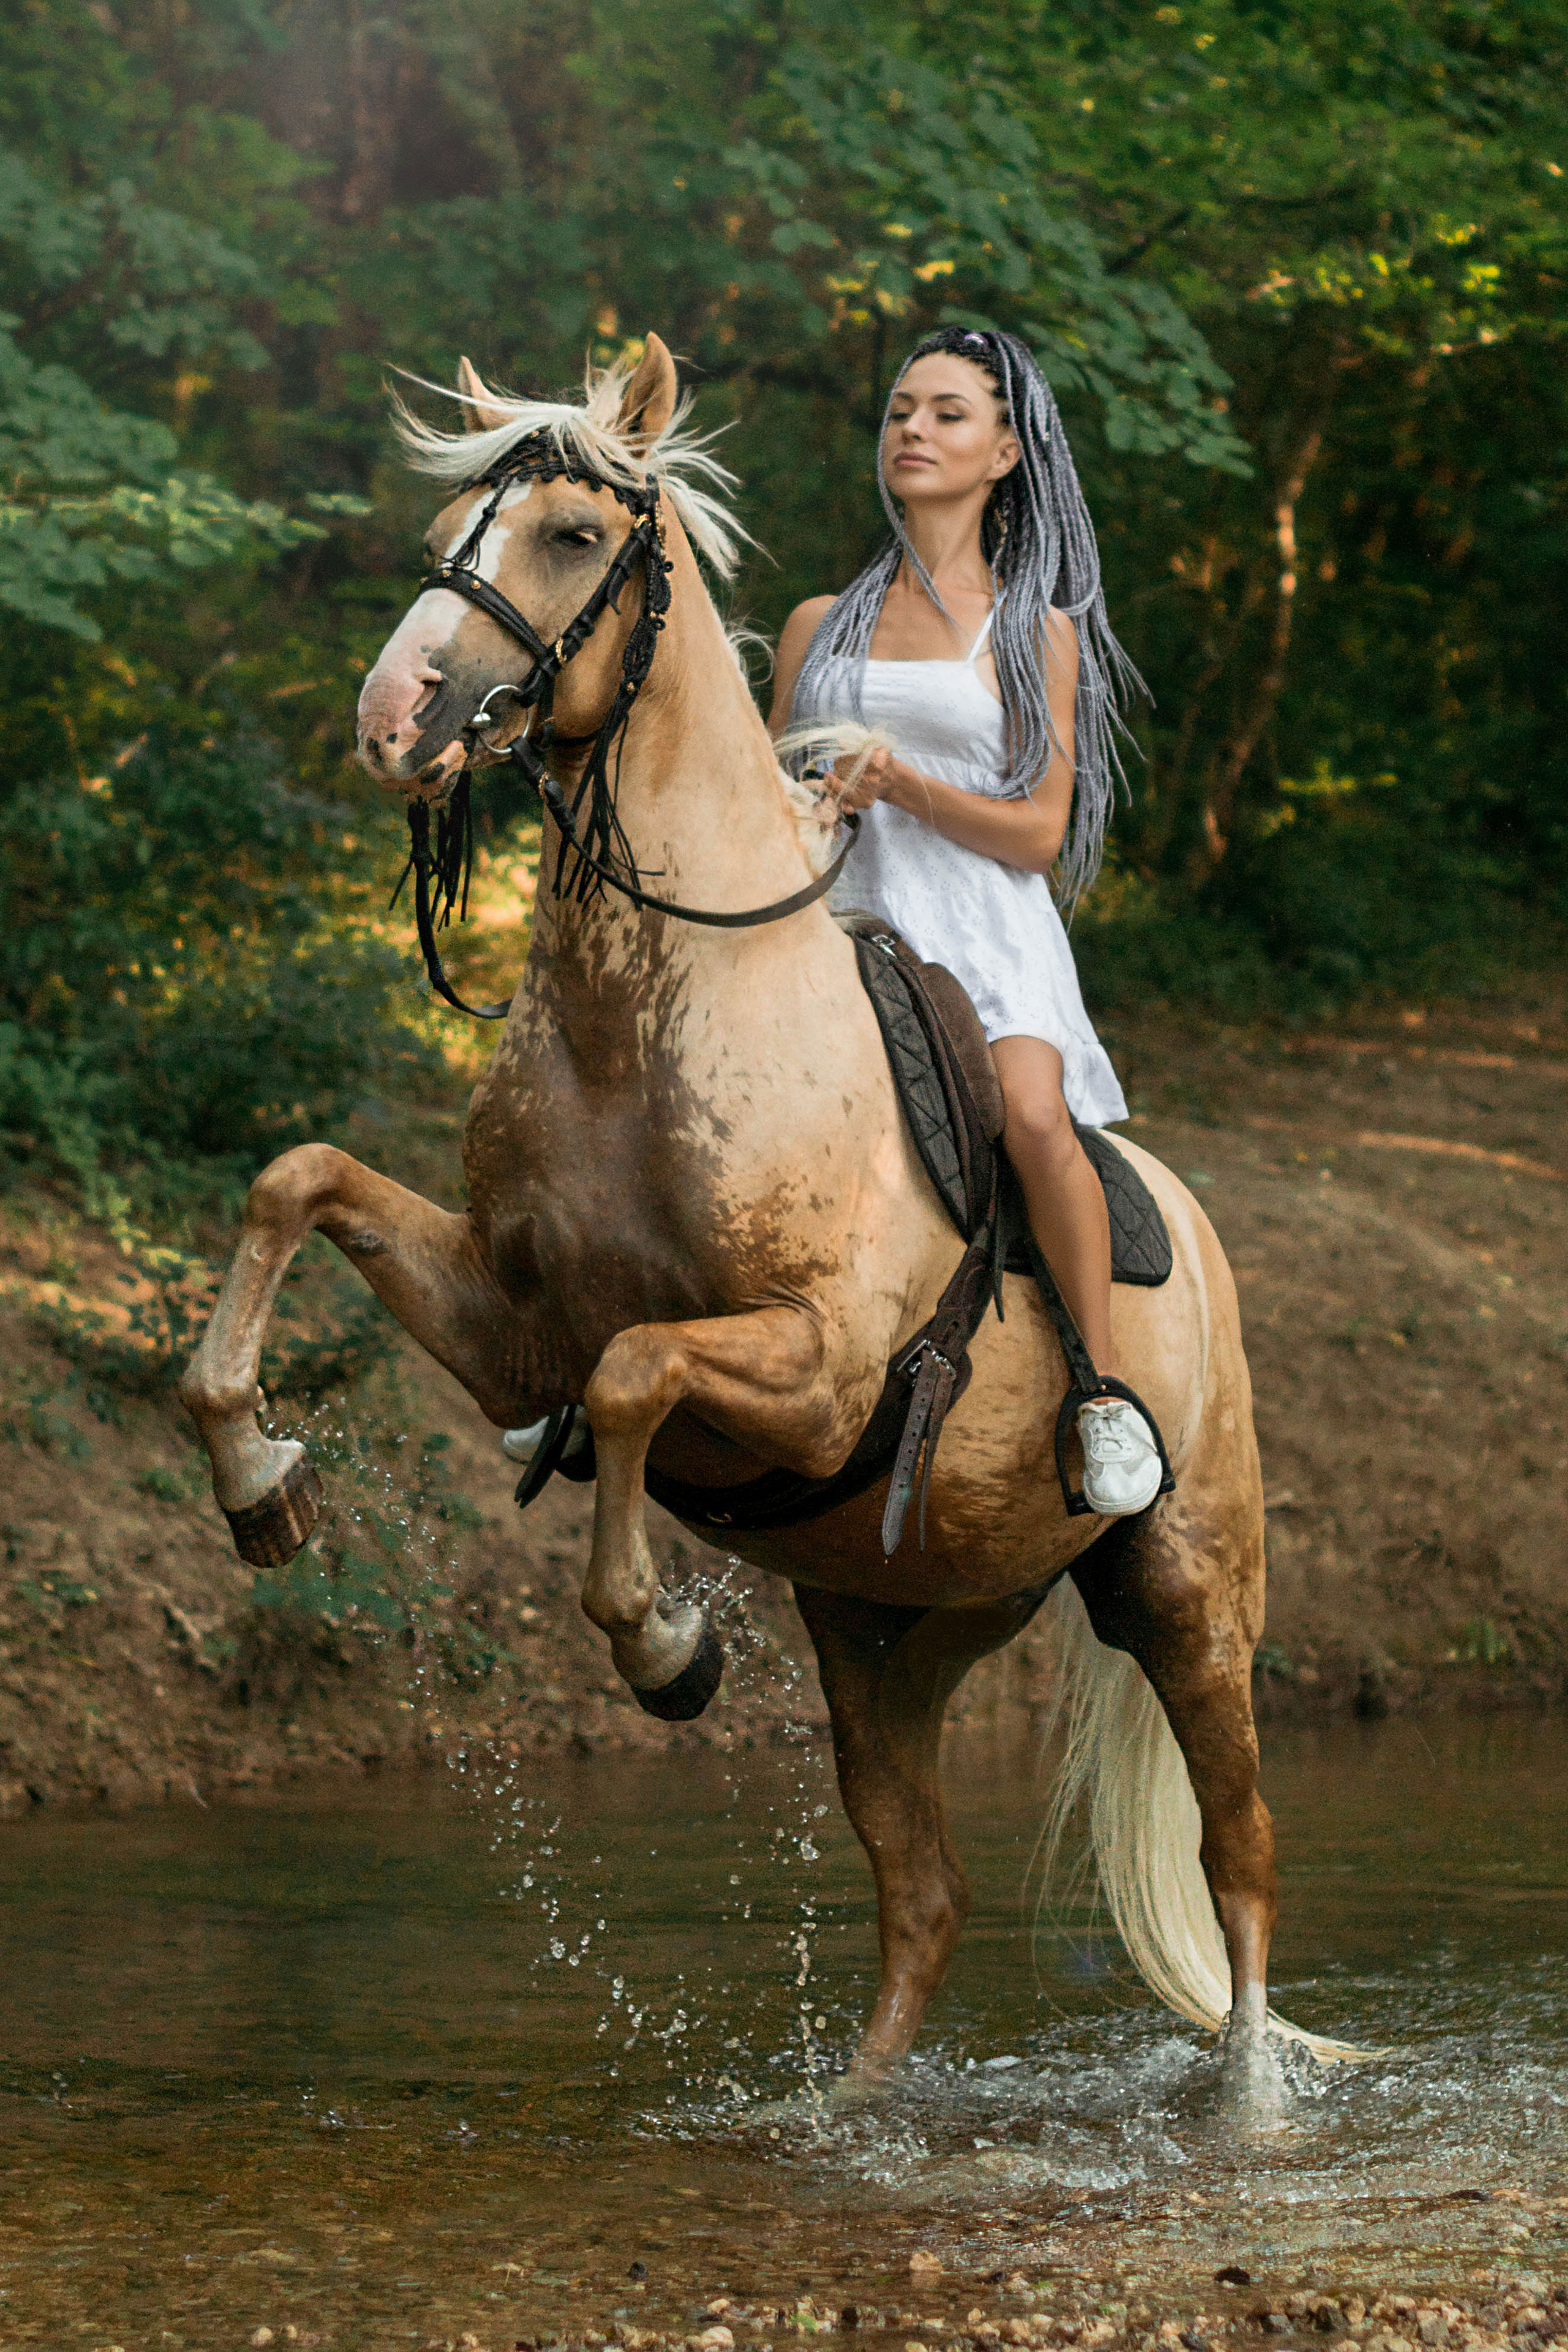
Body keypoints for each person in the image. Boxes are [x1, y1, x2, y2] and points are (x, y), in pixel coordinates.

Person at [768, 325, 1161, 1518]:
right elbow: (769, 801)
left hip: (983, 931)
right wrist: (814, 807)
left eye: (944, 414)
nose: (911, 432)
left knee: (1034, 1118)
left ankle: (1102, 1392)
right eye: (898, 412)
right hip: (839, 925)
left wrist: (903, 786)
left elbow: (1037, 834)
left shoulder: (1033, 632)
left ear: (1003, 449)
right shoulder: (814, 623)